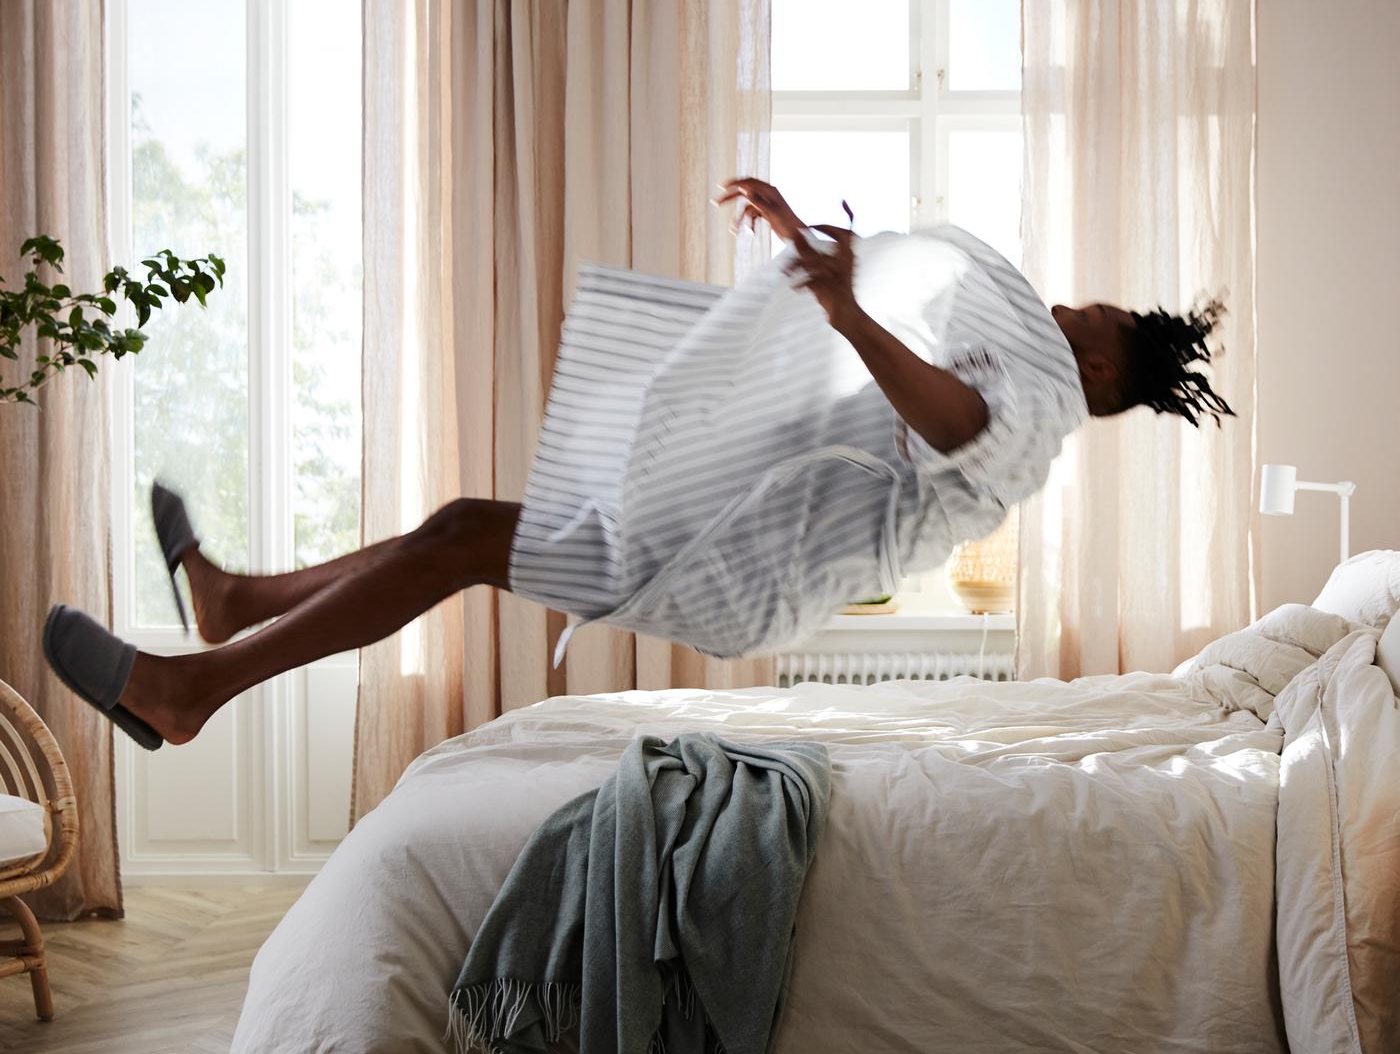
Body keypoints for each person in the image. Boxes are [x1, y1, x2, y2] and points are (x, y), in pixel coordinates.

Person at [42, 178, 1234, 751]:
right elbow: (931, 288)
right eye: (1087, 308)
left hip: (737, 568)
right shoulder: (1022, 359)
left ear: (1097, 383)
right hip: (727, 525)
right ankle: (236, 603)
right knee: (462, 522)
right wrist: (816, 244)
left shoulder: (1029, 419)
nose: (1074, 309)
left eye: (1095, 328)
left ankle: (193, 688)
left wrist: (848, 320)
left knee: (462, 540)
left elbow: (948, 422)